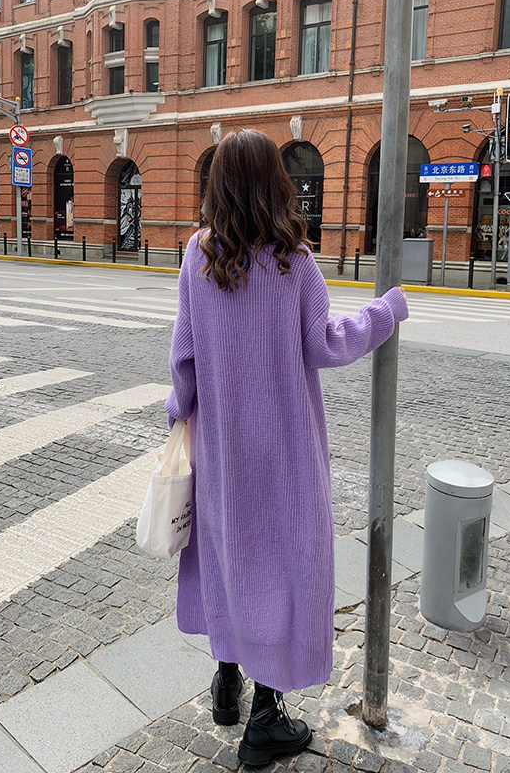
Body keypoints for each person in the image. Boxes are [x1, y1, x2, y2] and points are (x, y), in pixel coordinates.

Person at [165, 129, 408, 767]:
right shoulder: (293, 262)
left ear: (218, 185)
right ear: (277, 183)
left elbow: (184, 359)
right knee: (280, 567)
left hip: (221, 451)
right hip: (283, 450)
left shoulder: (197, 254)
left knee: (228, 555)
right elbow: (326, 343)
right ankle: (265, 719)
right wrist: (385, 312)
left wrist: (180, 419)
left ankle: (227, 681)